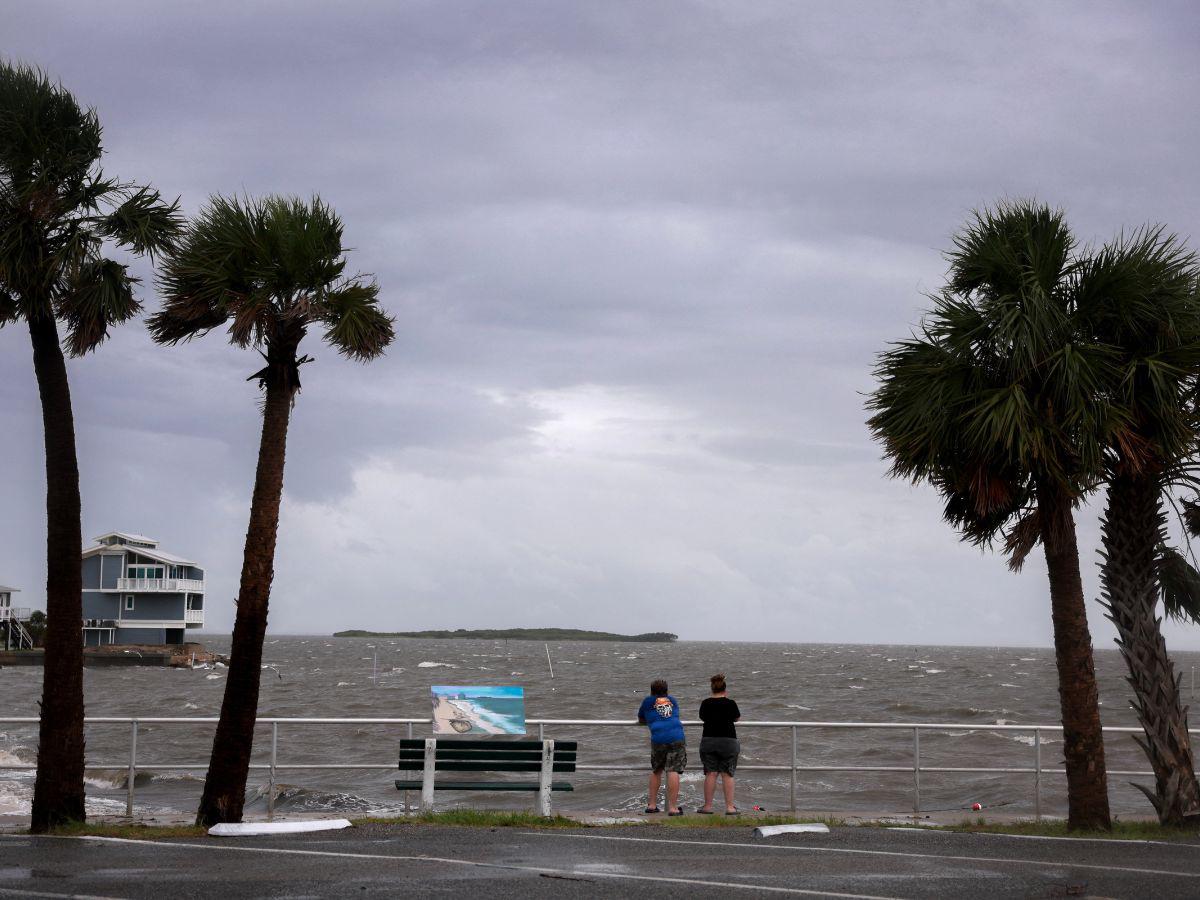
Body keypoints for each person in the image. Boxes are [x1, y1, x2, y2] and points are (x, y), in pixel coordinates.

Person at [637, 678, 686, 815]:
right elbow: (675, 715)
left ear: (652, 691)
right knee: (673, 770)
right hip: (676, 735)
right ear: (667, 691)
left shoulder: (647, 701)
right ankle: (673, 808)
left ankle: (652, 805)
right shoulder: (673, 700)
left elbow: (641, 718)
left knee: (657, 770)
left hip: (658, 737)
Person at [696, 673, 741, 814]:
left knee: (711, 773)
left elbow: (702, 717)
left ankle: (708, 807)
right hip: (728, 740)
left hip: (709, 740)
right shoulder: (731, 703)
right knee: (727, 774)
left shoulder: (705, 703)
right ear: (725, 690)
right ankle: (729, 807)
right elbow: (737, 718)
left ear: (712, 689)